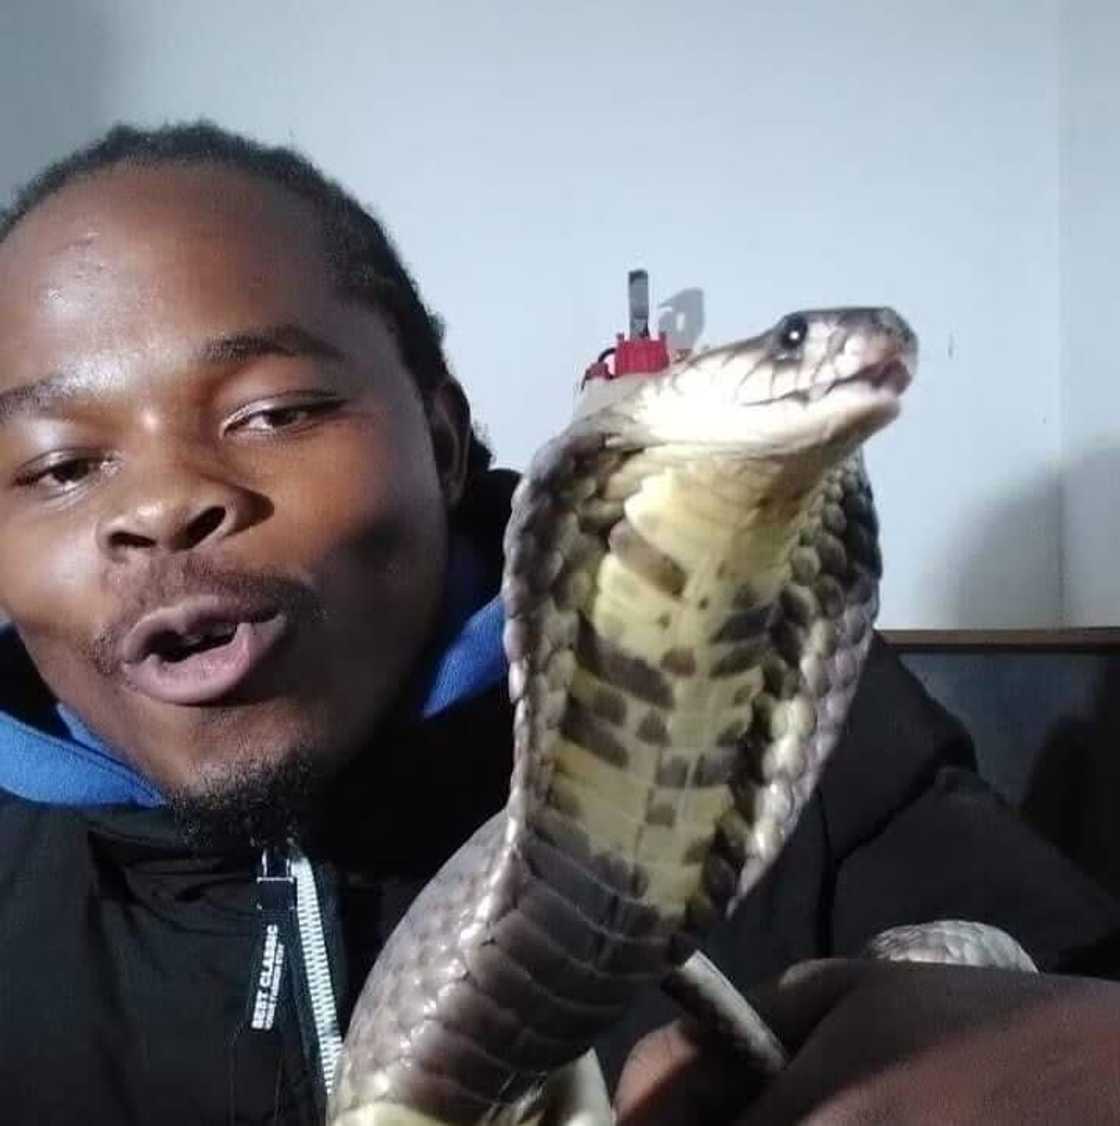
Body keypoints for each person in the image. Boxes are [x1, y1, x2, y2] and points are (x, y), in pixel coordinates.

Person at [0, 121, 1116, 1125]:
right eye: (58, 465)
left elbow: (1066, 988)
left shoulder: (800, 731)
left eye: (275, 410)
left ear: (441, 440)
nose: (159, 505)